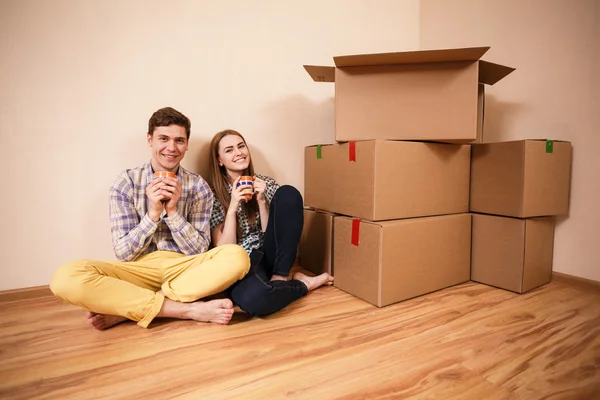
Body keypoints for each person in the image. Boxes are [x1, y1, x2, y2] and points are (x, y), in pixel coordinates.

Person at [50, 108, 250, 330]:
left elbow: (200, 249)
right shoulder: (126, 183)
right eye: (163, 139)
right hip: (138, 268)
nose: (171, 148)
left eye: (179, 140)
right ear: (150, 139)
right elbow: (124, 253)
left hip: (184, 268)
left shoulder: (198, 187)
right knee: (65, 277)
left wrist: (173, 213)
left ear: (187, 144)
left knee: (237, 256)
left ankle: (130, 309)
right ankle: (186, 310)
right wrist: (153, 214)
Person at [208, 129, 333, 317]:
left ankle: (280, 278)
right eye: (229, 150)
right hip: (239, 264)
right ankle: (305, 284)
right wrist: (233, 205)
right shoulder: (212, 194)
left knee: (288, 193)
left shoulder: (266, 183)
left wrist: (261, 201)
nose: (238, 152)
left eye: (241, 146)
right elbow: (226, 248)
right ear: (219, 160)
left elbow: (277, 233)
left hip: (269, 255)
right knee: (254, 301)